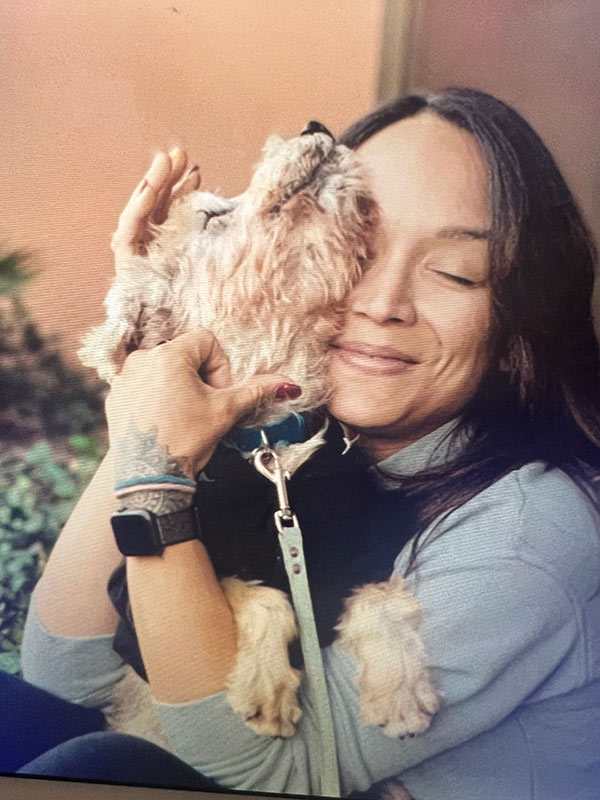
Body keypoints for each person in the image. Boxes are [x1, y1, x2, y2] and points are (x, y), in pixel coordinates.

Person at [11, 87, 600, 799]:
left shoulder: (533, 528)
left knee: (102, 766)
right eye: (359, 246)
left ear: (519, 324)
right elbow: (66, 675)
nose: (382, 302)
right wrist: (173, 337)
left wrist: (156, 480)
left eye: (456, 273)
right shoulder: (315, 452)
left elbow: (266, 769)